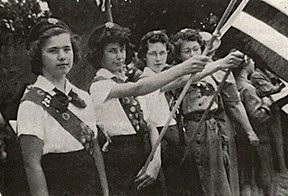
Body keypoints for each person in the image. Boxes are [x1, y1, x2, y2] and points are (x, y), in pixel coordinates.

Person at [87, 22, 208, 196]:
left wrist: (155, 161)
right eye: (112, 51)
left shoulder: (123, 79)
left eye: (122, 49)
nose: (120, 56)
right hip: (121, 157)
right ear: (99, 54)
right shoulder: (100, 85)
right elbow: (140, 88)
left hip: (144, 150)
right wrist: (182, 67)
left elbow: (148, 123)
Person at [18, 18, 109, 196]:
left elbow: (95, 150)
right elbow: (32, 164)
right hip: (57, 185)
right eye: (53, 51)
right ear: (38, 56)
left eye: (67, 49)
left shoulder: (83, 96)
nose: (62, 56)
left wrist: (105, 192)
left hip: (90, 184)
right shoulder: (31, 104)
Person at [170, 28, 259, 196]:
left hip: (214, 129)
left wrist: (249, 131)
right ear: (179, 54)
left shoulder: (219, 70)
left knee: (219, 179)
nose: (192, 54)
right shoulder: (174, 72)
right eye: (186, 51)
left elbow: (234, 103)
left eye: (196, 49)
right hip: (187, 130)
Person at [235, 57, 275, 196]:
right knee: (265, 173)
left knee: (247, 176)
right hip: (258, 137)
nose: (253, 63)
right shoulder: (248, 88)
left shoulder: (237, 84)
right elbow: (258, 117)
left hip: (243, 137)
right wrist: (266, 104)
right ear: (246, 65)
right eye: (251, 60)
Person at [250, 68, 287, 174]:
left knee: (279, 138)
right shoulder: (257, 75)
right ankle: (279, 168)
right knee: (275, 138)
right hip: (267, 110)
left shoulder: (268, 75)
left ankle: (281, 166)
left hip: (274, 109)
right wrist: (281, 86)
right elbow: (270, 90)